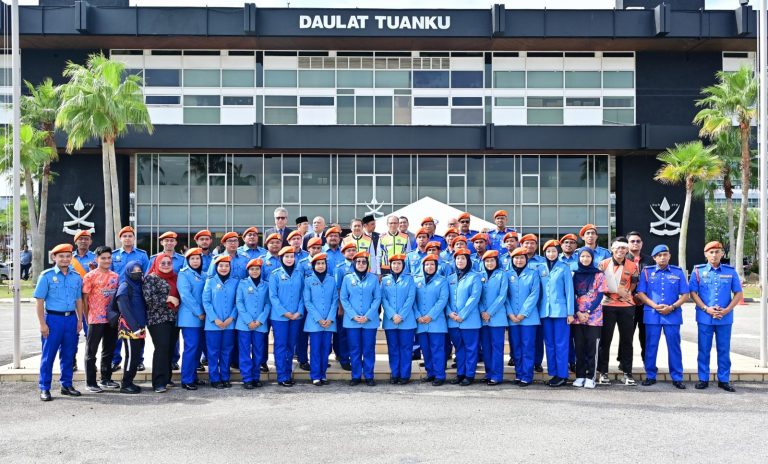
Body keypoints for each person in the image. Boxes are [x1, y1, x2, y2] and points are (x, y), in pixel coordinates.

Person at [689, 241, 743, 392]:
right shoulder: (698, 271)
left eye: (717, 252)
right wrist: (706, 308)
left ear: (722, 254)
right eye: (711, 252)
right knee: (704, 349)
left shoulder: (730, 271)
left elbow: (738, 293)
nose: (714, 255)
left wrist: (727, 310)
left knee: (724, 349)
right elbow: (693, 293)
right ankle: (703, 379)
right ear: (706, 254)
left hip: (724, 318)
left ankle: (724, 380)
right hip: (705, 317)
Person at [635, 244, 689, 389]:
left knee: (674, 346)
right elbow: (641, 293)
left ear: (669, 256)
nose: (662, 257)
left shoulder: (678, 272)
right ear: (654, 258)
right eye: (659, 255)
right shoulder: (647, 272)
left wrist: (672, 307)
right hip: (652, 314)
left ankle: (677, 377)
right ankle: (650, 375)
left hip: (672, 314)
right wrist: (654, 305)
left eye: (665, 254)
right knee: (651, 346)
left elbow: (685, 294)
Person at [34, 244, 84, 402]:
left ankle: (66, 385)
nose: (65, 259)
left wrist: (80, 320)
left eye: (68, 256)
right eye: (61, 256)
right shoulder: (46, 276)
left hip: (71, 320)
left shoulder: (75, 276)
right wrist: (42, 324)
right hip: (53, 320)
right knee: (48, 355)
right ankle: (45, 388)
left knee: (69, 354)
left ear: (71, 258)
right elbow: (40, 301)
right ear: (54, 258)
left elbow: (78, 300)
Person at [597, 237, 640, 386]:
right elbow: (598, 284)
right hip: (607, 305)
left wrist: (627, 292)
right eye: (617, 248)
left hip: (627, 306)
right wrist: (613, 292)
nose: (620, 251)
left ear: (627, 250)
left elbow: (634, 283)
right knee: (605, 340)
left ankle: (627, 372)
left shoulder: (633, 265)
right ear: (612, 250)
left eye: (623, 248)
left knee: (627, 340)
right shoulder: (603, 264)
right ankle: (603, 372)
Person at [111, 226, 150, 372]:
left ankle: (138, 360)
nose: (127, 238)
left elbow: (146, 273)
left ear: (134, 238)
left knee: (139, 326)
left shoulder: (141, 254)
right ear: (120, 238)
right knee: (119, 329)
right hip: (120, 295)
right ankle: (116, 360)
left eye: (130, 236)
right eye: (125, 236)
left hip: (137, 295)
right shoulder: (114, 255)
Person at [82, 246, 120, 393]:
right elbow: (85, 298)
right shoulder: (90, 276)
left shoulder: (115, 277)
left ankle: (106, 378)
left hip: (111, 319)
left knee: (109, 350)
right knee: (91, 352)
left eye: (108, 258)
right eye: (103, 258)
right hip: (95, 319)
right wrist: (87, 317)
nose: (106, 260)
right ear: (97, 259)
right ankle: (90, 382)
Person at [340, 251, 381, 386]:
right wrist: (353, 315)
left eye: (364, 262)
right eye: (358, 262)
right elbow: (344, 298)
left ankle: (369, 375)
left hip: (370, 321)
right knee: (354, 348)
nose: (361, 264)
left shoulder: (373, 278)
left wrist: (368, 315)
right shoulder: (347, 278)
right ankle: (356, 375)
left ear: (367, 264)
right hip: (352, 321)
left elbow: (377, 298)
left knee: (368, 348)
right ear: (354, 263)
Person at [539, 239, 575, 387]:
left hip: (561, 312)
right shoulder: (540, 268)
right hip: (545, 312)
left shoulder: (564, 267)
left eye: (554, 251)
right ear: (544, 252)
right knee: (549, 344)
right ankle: (553, 373)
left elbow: (569, 291)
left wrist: (570, 312)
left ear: (558, 252)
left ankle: (562, 375)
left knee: (561, 343)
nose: (551, 254)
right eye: (548, 251)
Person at [571, 248, 608, 389]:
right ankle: (580, 376)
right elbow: (571, 294)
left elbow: (600, 295)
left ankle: (590, 377)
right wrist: (578, 312)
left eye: (588, 256)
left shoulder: (599, 274)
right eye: (582, 256)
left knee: (592, 348)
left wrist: (588, 311)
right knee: (579, 347)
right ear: (579, 258)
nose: (585, 259)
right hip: (577, 316)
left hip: (594, 317)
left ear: (592, 258)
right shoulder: (575, 274)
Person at [143, 254, 180, 393]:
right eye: (162, 263)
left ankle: (167, 378)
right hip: (157, 319)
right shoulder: (151, 278)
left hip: (173, 318)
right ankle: (158, 382)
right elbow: (148, 298)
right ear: (157, 263)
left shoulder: (175, 277)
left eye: (168, 262)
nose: (165, 265)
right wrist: (168, 298)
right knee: (162, 348)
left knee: (170, 348)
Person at [269, 246, 305, 387]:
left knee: (291, 345)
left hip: (295, 316)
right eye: (286, 256)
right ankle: (281, 375)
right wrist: (284, 312)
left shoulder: (299, 274)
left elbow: (304, 295)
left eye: (292, 256)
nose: (290, 259)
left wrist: (298, 312)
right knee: (281, 345)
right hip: (280, 317)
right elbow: (273, 296)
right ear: (281, 258)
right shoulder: (275, 274)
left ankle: (288, 373)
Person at [506, 247, 541, 387]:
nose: (519, 260)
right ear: (512, 259)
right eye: (516, 258)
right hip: (512, 317)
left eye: (522, 258)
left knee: (528, 347)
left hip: (528, 318)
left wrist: (522, 314)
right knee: (516, 347)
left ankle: (527, 375)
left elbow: (534, 294)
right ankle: (518, 374)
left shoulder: (533, 274)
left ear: (526, 259)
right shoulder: (507, 274)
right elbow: (505, 296)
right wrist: (510, 313)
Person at [446, 248, 482, 386]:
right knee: (459, 348)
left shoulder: (475, 277)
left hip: (469, 320)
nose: (460, 261)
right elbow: (446, 299)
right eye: (458, 259)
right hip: (453, 321)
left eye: (463, 258)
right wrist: (450, 313)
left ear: (468, 261)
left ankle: (469, 374)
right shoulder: (450, 278)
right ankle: (460, 373)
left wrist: (462, 315)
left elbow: (474, 297)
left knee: (471, 349)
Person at [203, 254, 239, 389]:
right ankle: (214, 378)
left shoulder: (235, 281)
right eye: (221, 265)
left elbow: (238, 302)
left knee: (226, 351)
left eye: (227, 265)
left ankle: (225, 377)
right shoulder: (210, 281)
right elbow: (206, 302)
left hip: (230, 323)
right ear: (216, 267)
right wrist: (215, 319)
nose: (224, 268)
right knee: (213, 352)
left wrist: (231, 318)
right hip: (213, 325)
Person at [303, 253, 338, 386]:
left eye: (323, 263)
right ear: (313, 265)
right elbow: (308, 301)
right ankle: (315, 375)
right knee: (315, 349)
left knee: (325, 349)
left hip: (329, 321)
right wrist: (318, 318)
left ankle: (323, 374)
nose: (321, 266)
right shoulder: (308, 280)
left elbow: (335, 300)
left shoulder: (331, 280)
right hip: (314, 321)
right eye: (318, 263)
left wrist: (329, 318)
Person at [414, 255, 449, 386]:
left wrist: (430, 316)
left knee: (437, 349)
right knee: (426, 349)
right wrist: (418, 316)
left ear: (436, 266)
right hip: (421, 322)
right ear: (423, 266)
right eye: (427, 264)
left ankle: (440, 375)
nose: (429, 267)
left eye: (432, 264)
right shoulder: (416, 280)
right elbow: (413, 300)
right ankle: (430, 373)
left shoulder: (442, 281)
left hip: (436, 321)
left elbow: (442, 300)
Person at [381, 254, 416, 384]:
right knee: (393, 348)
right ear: (390, 265)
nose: (396, 266)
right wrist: (392, 315)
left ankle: (405, 375)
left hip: (406, 320)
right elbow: (383, 299)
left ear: (403, 265)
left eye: (399, 264)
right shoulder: (385, 280)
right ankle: (395, 373)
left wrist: (401, 315)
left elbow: (410, 298)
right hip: (390, 321)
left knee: (406, 348)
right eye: (394, 263)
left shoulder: (409, 279)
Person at [236, 258, 271, 389]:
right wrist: (249, 321)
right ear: (248, 270)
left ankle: (256, 376)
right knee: (245, 351)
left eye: (257, 269)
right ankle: (247, 378)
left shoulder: (266, 285)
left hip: (260, 324)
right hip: (244, 324)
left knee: (258, 351)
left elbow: (268, 303)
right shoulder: (242, 283)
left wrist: (260, 320)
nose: (255, 271)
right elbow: (239, 303)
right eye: (252, 269)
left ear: (261, 270)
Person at [115, 261, 148, 394]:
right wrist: (134, 328)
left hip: (140, 327)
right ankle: (126, 383)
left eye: (139, 271)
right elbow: (124, 308)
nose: (137, 273)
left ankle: (130, 381)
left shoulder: (140, 285)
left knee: (136, 355)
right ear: (128, 272)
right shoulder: (124, 286)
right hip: (130, 328)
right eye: (133, 271)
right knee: (131, 356)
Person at [177, 247, 206, 390]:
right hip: (190, 317)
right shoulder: (184, 274)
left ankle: (193, 376)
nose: (195, 261)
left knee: (198, 348)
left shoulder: (204, 274)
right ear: (187, 260)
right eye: (192, 259)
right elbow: (186, 296)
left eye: (198, 258)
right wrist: (199, 312)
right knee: (191, 347)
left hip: (203, 318)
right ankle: (186, 379)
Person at [479, 250, 508, 386]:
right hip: (483, 318)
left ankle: (496, 375)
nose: (489, 263)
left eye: (492, 261)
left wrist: (489, 312)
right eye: (487, 261)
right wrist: (482, 311)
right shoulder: (480, 275)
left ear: (497, 262)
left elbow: (502, 296)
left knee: (497, 347)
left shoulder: (502, 275)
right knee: (486, 347)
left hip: (496, 317)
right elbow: (476, 296)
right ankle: (488, 372)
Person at [626, 231, 654, 365]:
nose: (635, 243)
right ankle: (625, 363)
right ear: (627, 244)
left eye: (638, 241)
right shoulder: (622, 259)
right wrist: (632, 296)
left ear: (642, 244)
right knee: (627, 336)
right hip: (627, 303)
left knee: (645, 335)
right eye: (632, 241)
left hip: (646, 304)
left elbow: (653, 282)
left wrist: (643, 297)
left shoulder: (650, 260)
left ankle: (647, 362)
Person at [71, 229, 96, 372]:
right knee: (73, 332)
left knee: (90, 333)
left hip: (90, 300)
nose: (84, 241)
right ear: (76, 241)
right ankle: (72, 360)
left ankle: (89, 362)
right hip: (72, 300)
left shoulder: (95, 258)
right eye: (81, 239)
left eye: (87, 239)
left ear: (90, 242)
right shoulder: (69, 258)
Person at [333, 242, 357, 371]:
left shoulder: (360, 265)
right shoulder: (340, 268)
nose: (352, 252)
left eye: (354, 250)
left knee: (353, 334)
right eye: (349, 251)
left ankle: (354, 357)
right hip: (344, 307)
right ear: (343, 253)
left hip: (356, 307)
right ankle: (344, 358)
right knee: (343, 334)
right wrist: (341, 307)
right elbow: (338, 289)